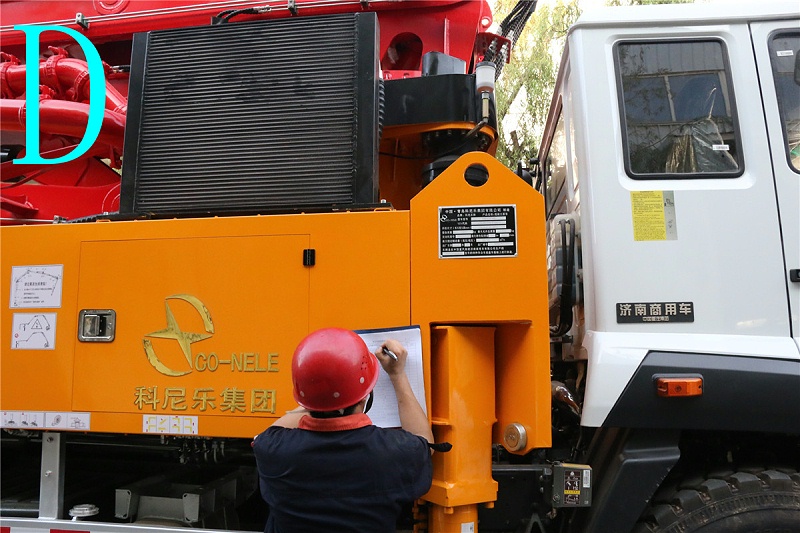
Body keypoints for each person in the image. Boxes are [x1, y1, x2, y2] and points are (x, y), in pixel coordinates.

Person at [253, 327, 434, 533]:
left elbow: (265, 436)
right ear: (364, 395)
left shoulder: (274, 451)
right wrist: (397, 374)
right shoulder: (390, 454)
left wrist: (319, 393)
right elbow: (425, 444)